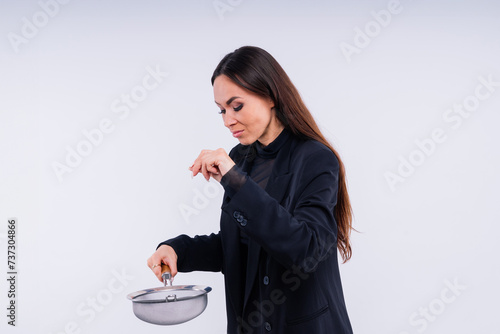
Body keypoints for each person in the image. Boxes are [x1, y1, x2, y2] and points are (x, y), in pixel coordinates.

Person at [147, 46, 354, 334]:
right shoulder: (241, 158)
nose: (227, 120)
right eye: (221, 110)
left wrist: (234, 181)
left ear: (270, 96)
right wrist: (178, 250)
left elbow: (305, 250)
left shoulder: (316, 158)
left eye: (237, 106)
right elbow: (241, 246)